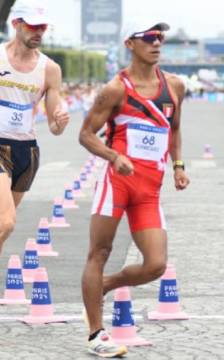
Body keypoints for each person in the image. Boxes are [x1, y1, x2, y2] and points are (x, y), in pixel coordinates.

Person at [79, 22, 189, 358]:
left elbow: (174, 131)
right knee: (99, 253)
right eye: (149, 38)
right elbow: (85, 135)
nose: (157, 44)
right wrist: (114, 156)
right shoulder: (115, 89)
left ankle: (106, 285)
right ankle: (96, 334)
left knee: (156, 264)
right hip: (117, 183)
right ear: (130, 43)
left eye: (161, 38)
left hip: (149, 191)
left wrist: (178, 166)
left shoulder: (175, 86)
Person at [0, 0, 70, 272]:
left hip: (27, 151)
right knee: (6, 223)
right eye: (33, 26)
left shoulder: (50, 69)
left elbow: (55, 128)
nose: (39, 32)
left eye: (43, 27)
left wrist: (60, 121)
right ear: (16, 24)